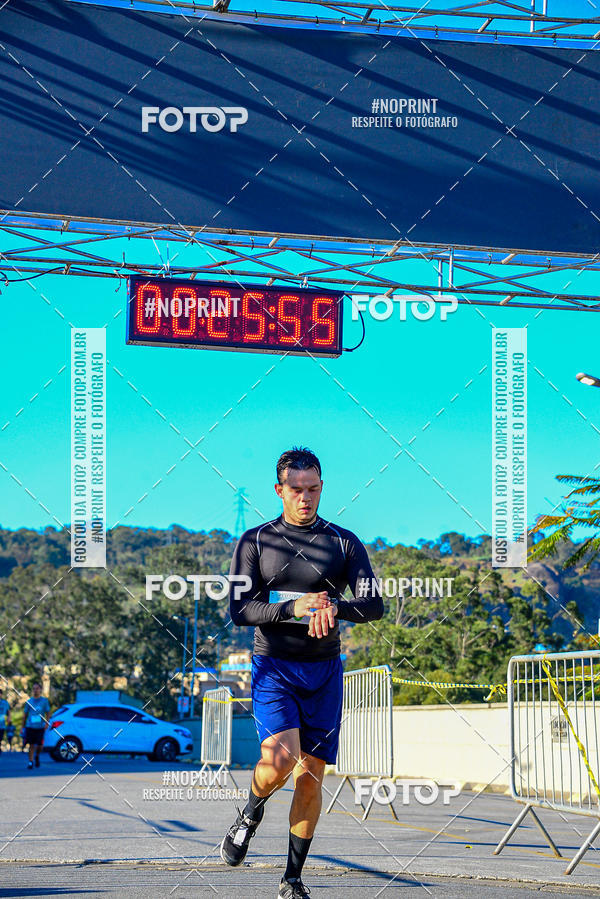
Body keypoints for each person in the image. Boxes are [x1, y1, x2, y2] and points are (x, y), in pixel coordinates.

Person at [221, 446, 383, 899]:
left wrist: (336, 605)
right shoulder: (254, 542)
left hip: (325, 672)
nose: (305, 498)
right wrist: (293, 606)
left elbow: (374, 605)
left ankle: (291, 879)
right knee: (280, 760)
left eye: (313, 489)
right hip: (274, 667)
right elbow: (238, 610)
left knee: (311, 775)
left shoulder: (345, 542)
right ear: (279, 490)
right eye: (296, 490)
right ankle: (250, 812)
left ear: (321, 487)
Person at [23, 683, 50, 769]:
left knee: (40, 746)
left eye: (37, 688)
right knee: (31, 745)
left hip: (40, 727)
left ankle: (37, 756)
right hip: (30, 726)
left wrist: (46, 723)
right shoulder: (29, 701)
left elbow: (48, 713)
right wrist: (22, 727)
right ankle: (30, 762)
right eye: (34, 689)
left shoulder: (44, 701)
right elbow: (25, 714)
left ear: (40, 690)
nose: (35, 690)